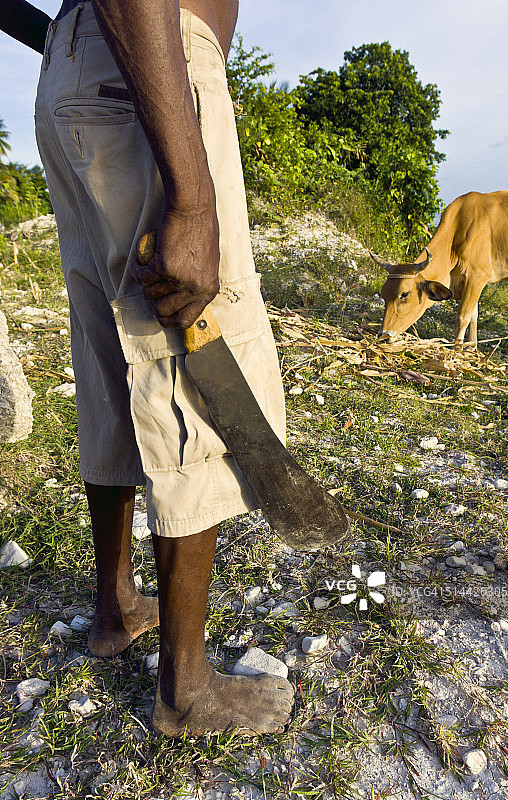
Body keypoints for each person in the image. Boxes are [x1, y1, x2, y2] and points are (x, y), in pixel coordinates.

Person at [2, 0, 298, 736]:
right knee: (190, 342)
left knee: (108, 349)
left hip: (81, 71)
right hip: (150, 60)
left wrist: (66, 42)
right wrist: (193, 201)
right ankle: (185, 688)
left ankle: (116, 608)